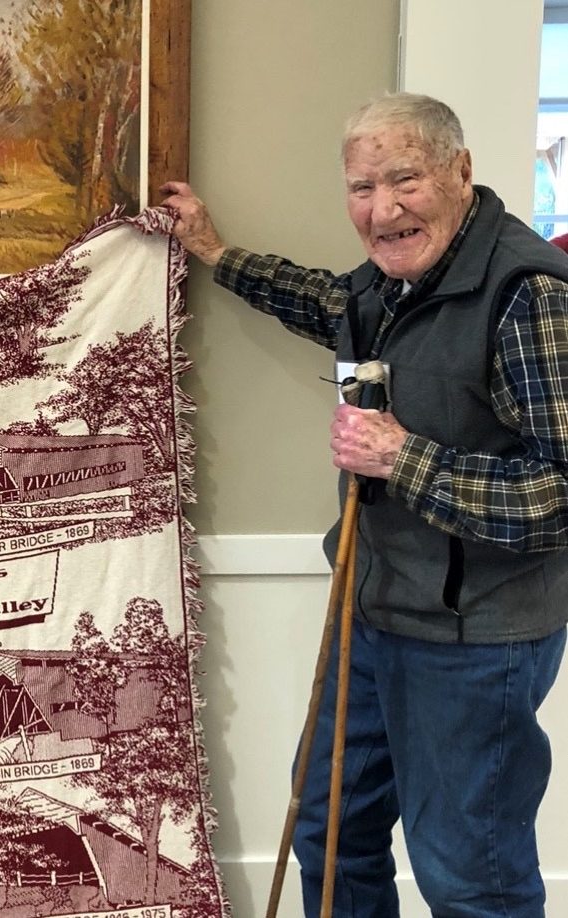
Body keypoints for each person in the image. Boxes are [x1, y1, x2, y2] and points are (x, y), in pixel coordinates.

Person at [163, 93, 568, 916]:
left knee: (468, 876)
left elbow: (558, 493)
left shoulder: (528, 293)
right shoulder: (389, 286)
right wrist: (212, 249)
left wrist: (402, 457)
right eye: (359, 188)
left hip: (474, 637)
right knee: (330, 833)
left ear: (459, 171)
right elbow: (319, 299)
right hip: (371, 610)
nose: (381, 209)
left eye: (403, 180)